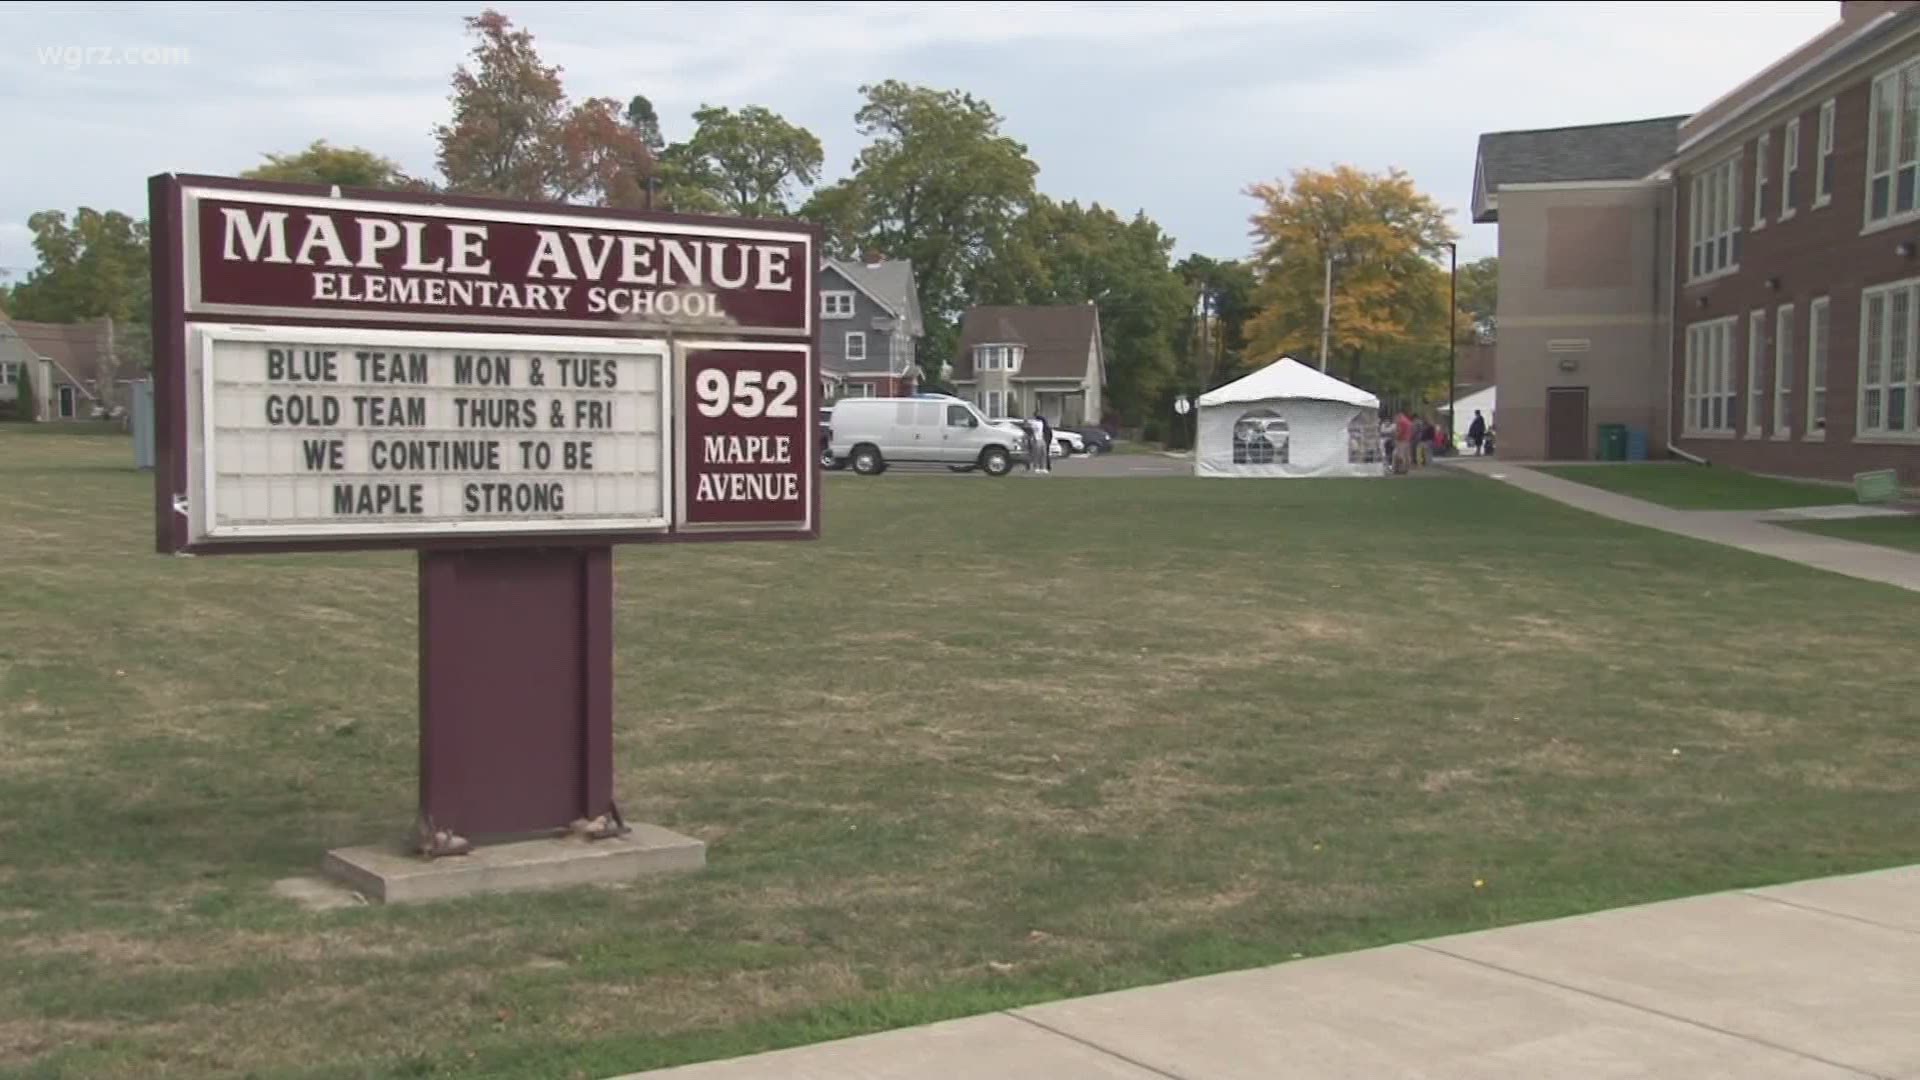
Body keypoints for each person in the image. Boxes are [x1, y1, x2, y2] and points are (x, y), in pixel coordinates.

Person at [1392, 409, 1413, 474]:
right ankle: (1406, 469)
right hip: (1407, 440)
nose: (1395, 418)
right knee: (1406, 455)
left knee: (1399, 455)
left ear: (1398, 415)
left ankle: (1400, 469)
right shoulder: (1408, 421)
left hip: (1401, 440)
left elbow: (1399, 431)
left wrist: (1395, 437)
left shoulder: (1401, 421)